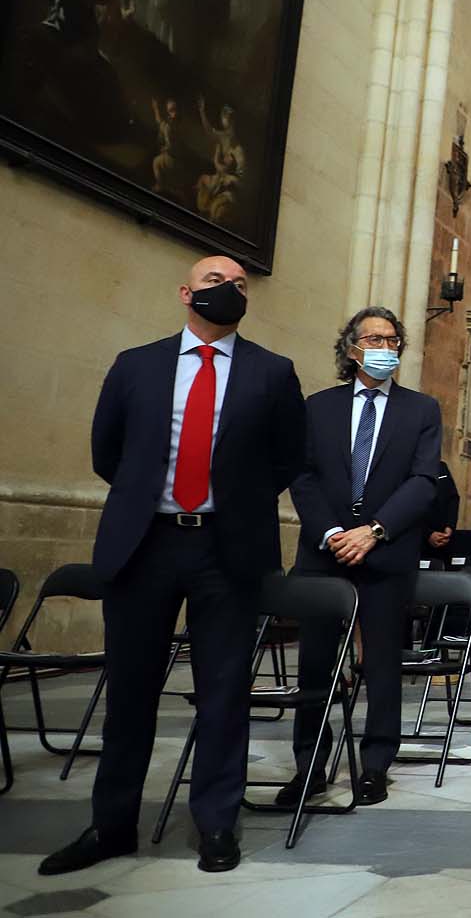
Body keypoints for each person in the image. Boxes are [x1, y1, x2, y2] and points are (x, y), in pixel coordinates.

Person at [40, 257, 305, 877]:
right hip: (145, 544)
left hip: (226, 550)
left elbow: (289, 459)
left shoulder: (273, 373)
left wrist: (234, 501)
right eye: (217, 282)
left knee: (222, 694)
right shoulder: (138, 364)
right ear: (187, 293)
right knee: (130, 692)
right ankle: (112, 825)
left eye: (240, 285)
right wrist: (147, 497)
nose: (230, 291)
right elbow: (108, 450)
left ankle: (215, 824)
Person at [283, 307, 443, 807]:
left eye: (392, 340)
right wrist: (333, 532)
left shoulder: (421, 410)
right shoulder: (317, 406)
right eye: (374, 338)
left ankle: (375, 764)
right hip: (324, 552)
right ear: (352, 348)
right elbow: (302, 475)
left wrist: (373, 531)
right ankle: (309, 765)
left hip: (386, 549)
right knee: (315, 662)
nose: (384, 348)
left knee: (380, 662)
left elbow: (423, 480)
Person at [426, 460, 459, 553]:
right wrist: (428, 534)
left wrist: (449, 526)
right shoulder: (409, 468)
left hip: (444, 539)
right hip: (417, 542)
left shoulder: (441, 466)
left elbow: (453, 498)